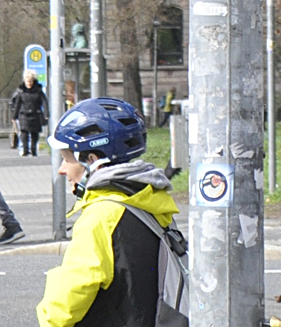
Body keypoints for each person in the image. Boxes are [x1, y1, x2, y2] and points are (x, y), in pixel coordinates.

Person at [36, 97, 180, 327]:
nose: (62, 169)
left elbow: (66, 300)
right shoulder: (150, 201)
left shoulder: (102, 216)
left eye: (66, 159)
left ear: (92, 160)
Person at [13, 69, 48, 157]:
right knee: (24, 132)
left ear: (33, 81)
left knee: (34, 133)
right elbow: (18, 103)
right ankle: (25, 150)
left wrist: (46, 114)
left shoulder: (38, 90)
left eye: (30, 81)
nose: (29, 83)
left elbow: (44, 102)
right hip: (24, 115)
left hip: (35, 114)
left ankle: (33, 150)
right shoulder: (21, 91)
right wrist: (14, 116)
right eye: (27, 81)